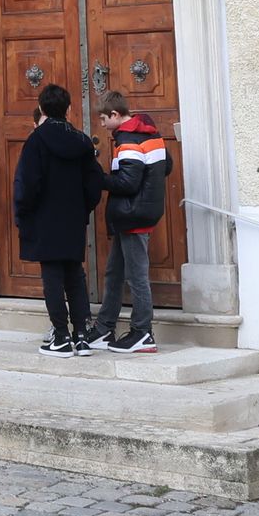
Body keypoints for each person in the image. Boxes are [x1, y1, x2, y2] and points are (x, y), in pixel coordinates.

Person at [8, 83, 105, 353]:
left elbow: (27, 184)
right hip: (73, 218)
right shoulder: (83, 141)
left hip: (44, 219)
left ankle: (61, 337)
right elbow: (94, 182)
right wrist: (83, 208)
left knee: (52, 276)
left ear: (41, 109)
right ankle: (82, 336)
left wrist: (24, 214)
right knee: (75, 274)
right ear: (69, 109)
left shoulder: (36, 141)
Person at [95, 106, 172, 352]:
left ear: (115, 114)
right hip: (133, 214)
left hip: (133, 215)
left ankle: (142, 332)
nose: (103, 124)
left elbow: (127, 183)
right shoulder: (152, 134)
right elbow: (166, 166)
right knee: (115, 272)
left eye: (104, 119)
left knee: (136, 276)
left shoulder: (128, 140)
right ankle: (104, 328)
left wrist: (99, 177)